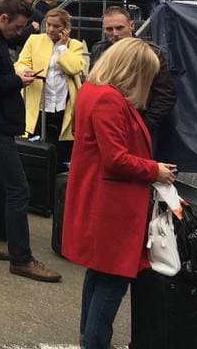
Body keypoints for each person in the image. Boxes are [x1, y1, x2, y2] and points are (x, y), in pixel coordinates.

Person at [63, 38, 177, 349]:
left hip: (101, 196)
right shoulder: (109, 100)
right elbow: (116, 158)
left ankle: (91, 339)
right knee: (113, 278)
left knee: (99, 274)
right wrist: (155, 169)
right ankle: (95, 342)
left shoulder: (93, 91)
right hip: (113, 202)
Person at [0, 0, 61, 282]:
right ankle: (21, 258)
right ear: (3, 18)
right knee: (18, 190)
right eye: (16, 27)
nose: (18, 33)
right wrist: (17, 81)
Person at [88, 6, 176, 143]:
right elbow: (91, 86)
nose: (115, 33)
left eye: (119, 28)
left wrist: (143, 126)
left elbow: (165, 95)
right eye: (109, 29)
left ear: (132, 25)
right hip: (105, 123)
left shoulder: (151, 53)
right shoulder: (98, 50)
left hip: (139, 122)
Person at [14, 8, 88, 164]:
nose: (51, 29)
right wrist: (25, 70)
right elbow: (20, 63)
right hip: (39, 99)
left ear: (65, 28)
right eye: (49, 25)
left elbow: (74, 67)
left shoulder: (74, 45)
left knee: (61, 143)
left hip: (63, 101)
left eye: (56, 26)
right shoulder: (34, 40)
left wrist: (62, 47)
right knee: (34, 139)